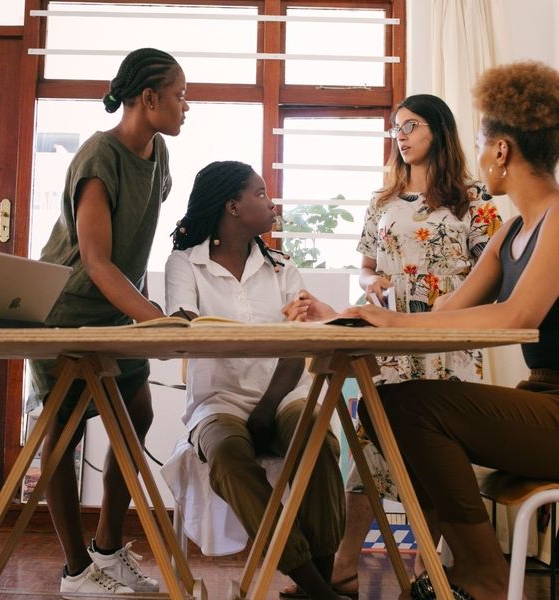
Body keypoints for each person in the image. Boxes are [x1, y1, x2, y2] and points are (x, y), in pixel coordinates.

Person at [285, 60, 559, 600]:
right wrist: (342, 314)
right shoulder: (513, 232)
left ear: (501, 150)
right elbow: (447, 315)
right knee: (395, 407)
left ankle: (479, 574)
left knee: (410, 408)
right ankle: (464, 572)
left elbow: (516, 318)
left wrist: (386, 318)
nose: (480, 155)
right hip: (542, 398)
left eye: (483, 143)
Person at [28, 47, 189, 598]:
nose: (186, 106)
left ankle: (107, 552)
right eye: (180, 95)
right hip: (68, 311)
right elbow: (95, 260)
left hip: (120, 308)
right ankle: (76, 572)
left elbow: (139, 240)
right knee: (65, 432)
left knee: (135, 417)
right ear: (149, 99)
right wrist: (158, 320)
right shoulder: (98, 156)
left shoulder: (160, 154)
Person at [165, 160, 347, 600]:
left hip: (283, 397)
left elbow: (294, 351)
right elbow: (185, 332)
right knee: (227, 455)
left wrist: (266, 407)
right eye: (261, 194)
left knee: (318, 442)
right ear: (232, 206)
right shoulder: (186, 265)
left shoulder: (282, 266)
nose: (271, 203)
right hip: (218, 401)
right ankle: (317, 587)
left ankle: (313, 585)